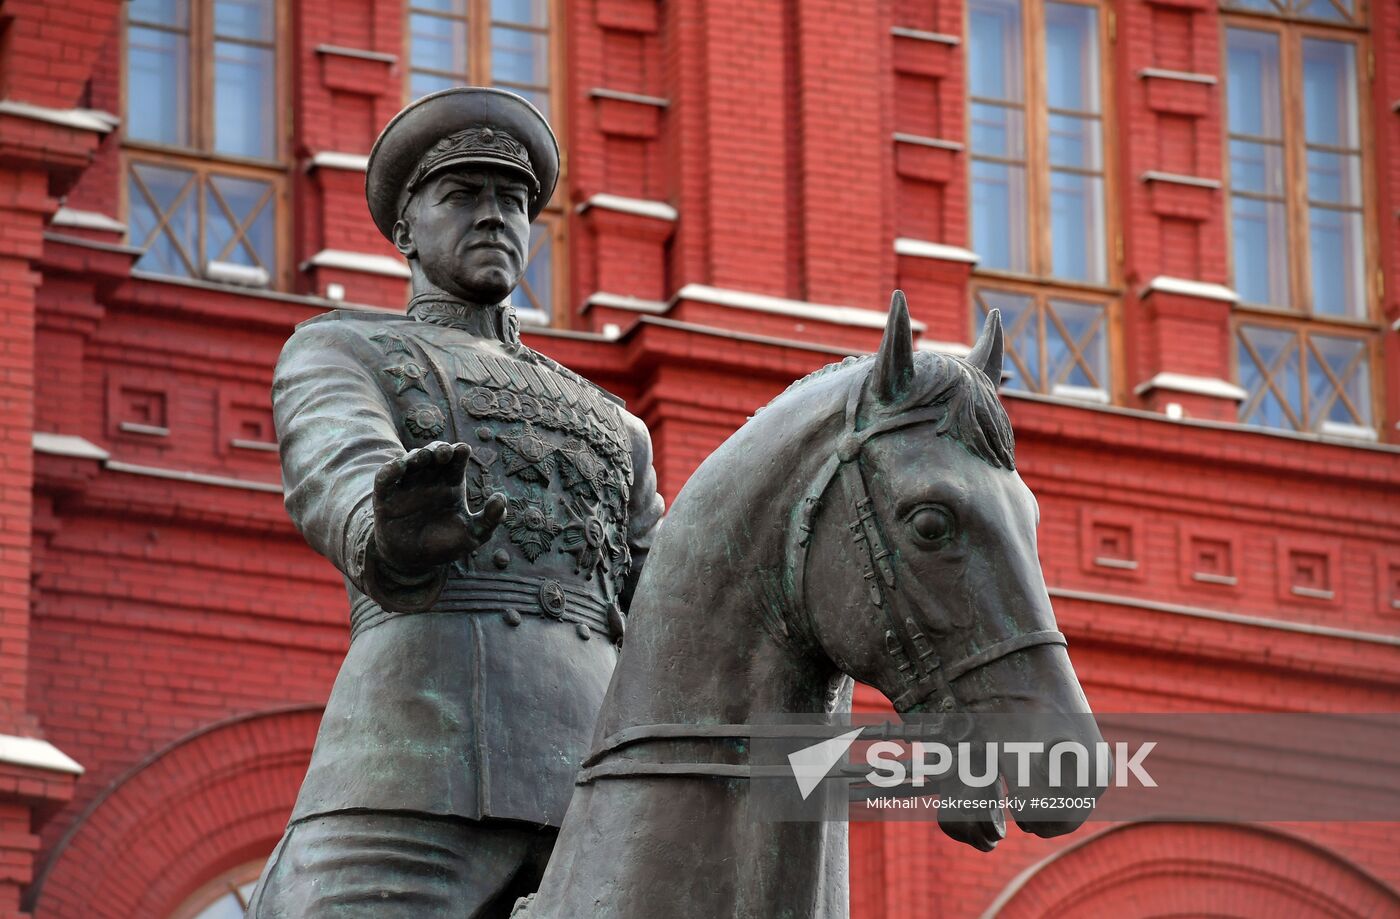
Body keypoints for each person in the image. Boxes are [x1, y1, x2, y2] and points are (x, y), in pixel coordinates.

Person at [247, 87, 665, 918]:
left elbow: (680, 610)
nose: (493, 216)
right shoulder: (345, 348)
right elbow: (339, 471)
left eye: (512, 200)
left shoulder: (616, 425)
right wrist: (390, 529)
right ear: (406, 228)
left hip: (595, 789)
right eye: (463, 195)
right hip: (413, 772)